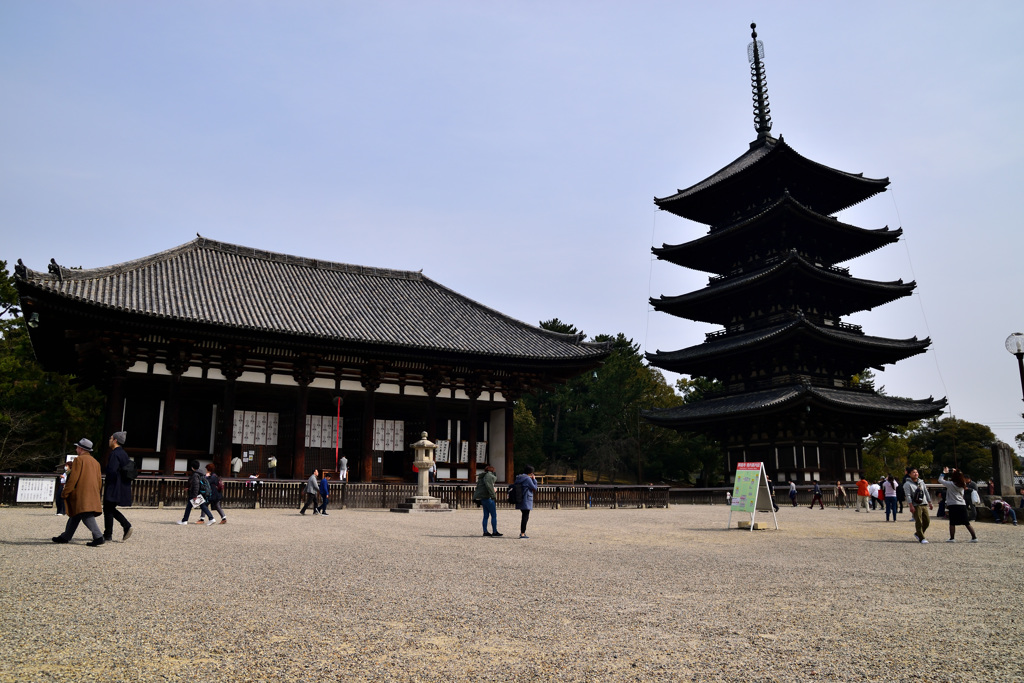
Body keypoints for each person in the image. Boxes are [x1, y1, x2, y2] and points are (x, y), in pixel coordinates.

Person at [53, 438, 106, 546]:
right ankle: (66, 536)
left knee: (85, 514)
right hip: (92, 492)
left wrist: (65, 492)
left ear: (81, 448)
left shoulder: (78, 460)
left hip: (81, 493)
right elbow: (99, 481)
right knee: (76, 514)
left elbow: (73, 478)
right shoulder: (96, 462)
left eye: (77, 447)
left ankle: (98, 536)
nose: (76, 449)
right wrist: (97, 492)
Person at [102, 431, 134, 542]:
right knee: (109, 509)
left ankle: (125, 526)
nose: (109, 440)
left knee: (108, 508)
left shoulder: (115, 454)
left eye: (111, 438)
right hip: (122, 486)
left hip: (114, 486)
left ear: (115, 440)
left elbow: (112, 471)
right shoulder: (124, 454)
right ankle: (109, 533)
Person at [937, 467, 977, 543]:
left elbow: (940, 480)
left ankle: (952, 538)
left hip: (953, 504)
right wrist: (958, 472)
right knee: (966, 522)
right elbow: (959, 476)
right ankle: (974, 537)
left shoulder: (950, 484)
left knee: (952, 522)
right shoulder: (963, 484)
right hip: (962, 504)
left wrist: (944, 473)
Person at [178, 460, 215, 525]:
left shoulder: (195, 475)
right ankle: (211, 518)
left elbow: (196, 485)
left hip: (196, 493)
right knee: (201, 506)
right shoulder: (201, 473)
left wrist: (195, 495)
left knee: (190, 506)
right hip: (200, 492)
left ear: (192, 467)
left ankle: (184, 520)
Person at [904, 468, 932, 544]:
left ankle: (918, 533)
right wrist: (911, 505)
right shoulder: (907, 484)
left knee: (927, 521)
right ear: (909, 474)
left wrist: (929, 502)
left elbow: (926, 492)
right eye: (913, 472)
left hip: (924, 503)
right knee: (919, 521)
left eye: (916, 472)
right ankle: (921, 538)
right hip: (916, 504)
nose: (916, 474)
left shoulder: (921, 482)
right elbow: (908, 495)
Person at [473, 464, 501, 537]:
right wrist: (493, 495)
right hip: (489, 498)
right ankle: (494, 531)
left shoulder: (482, 477)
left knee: (485, 516)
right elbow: (489, 487)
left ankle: (485, 531)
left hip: (482, 498)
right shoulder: (489, 477)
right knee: (493, 515)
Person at [514, 465, 539, 539]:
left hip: (520, 498)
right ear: (531, 472)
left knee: (524, 516)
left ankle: (522, 532)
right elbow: (534, 488)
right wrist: (534, 480)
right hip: (526, 498)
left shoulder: (519, 478)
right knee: (525, 516)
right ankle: (522, 533)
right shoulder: (527, 479)